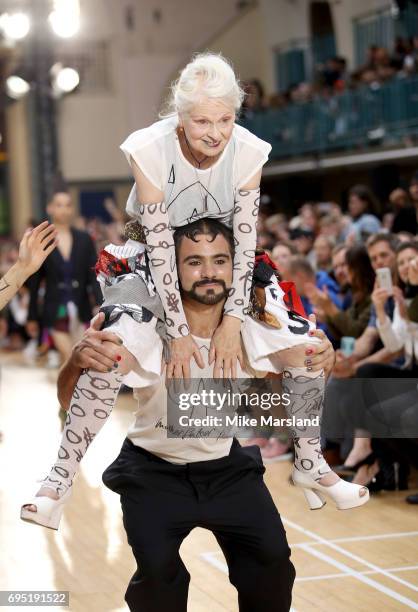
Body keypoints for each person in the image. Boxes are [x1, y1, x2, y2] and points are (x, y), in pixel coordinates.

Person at [20, 54, 368, 527]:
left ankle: (310, 463)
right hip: (151, 260)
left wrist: (232, 321)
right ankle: (58, 481)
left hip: (220, 264)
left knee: (306, 352)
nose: (215, 131)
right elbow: (161, 245)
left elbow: (245, 243)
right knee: (108, 353)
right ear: (179, 116)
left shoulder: (248, 150)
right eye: (202, 120)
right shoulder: (150, 147)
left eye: (225, 118)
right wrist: (179, 331)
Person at [51, 223, 342, 611]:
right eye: (194, 261)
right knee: (158, 576)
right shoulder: (139, 322)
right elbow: (71, 400)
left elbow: (298, 374)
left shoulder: (251, 325)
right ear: (173, 270)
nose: (208, 271)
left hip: (226, 469)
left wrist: (326, 359)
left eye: (219, 260)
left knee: (272, 564)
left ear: (233, 269)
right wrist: (75, 359)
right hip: (153, 473)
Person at [26, 191, 102, 364]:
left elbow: (93, 274)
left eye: (68, 205)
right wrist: (32, 316)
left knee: (78, 360)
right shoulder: (43, 241)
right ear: (50, 208)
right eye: (59, 205)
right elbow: (35, 282)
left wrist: (100, 304)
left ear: (72, 209)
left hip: (81, 308)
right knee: (70, 356)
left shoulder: (84, 239)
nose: (64, 209)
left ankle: (69, 391)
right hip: (55, 309)